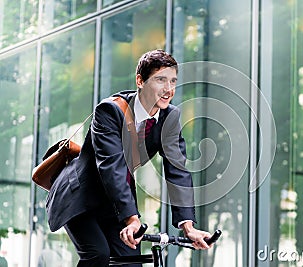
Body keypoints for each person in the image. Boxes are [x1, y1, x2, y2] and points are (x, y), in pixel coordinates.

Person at [45, 49, 212, 266]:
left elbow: (177, 170)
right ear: (140, 80)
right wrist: (132, 219)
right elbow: (112, 167)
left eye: (173, 81)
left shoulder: (169, 117)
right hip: (79, 196)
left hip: (114, 202)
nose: (168, 89)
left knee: (130, 261)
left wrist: (188, 227)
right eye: (160, 80)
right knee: (98, 254)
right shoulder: (109, 111)